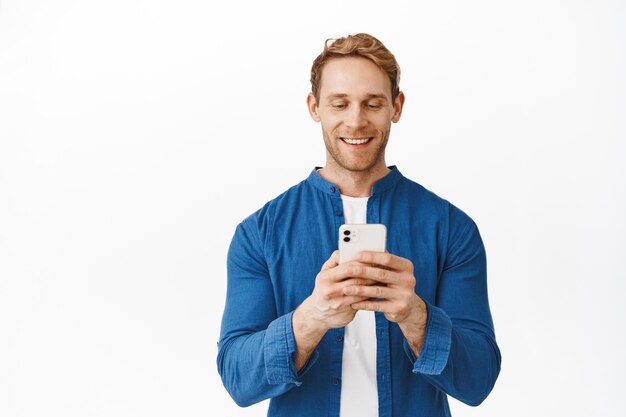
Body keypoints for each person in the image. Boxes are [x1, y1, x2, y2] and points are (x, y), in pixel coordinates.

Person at [217, 33, 501, 417]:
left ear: (396, 107)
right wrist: (312, 316)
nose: (356, 121)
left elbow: (478, 381)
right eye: (340, 104)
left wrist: (415, 316)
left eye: (372, 103)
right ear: (314, 107)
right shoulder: (260, 232)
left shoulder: (452, 228)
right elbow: (238, 380)